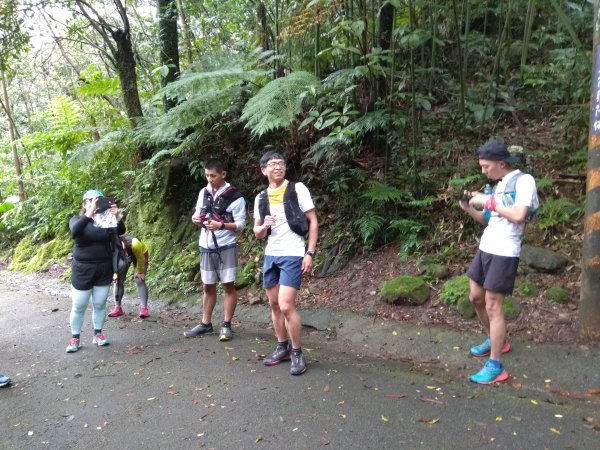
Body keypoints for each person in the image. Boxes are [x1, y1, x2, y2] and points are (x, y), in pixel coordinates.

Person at [459, 139, 538, 384]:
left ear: (501, 163)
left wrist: (488, 200)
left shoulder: (523, 181)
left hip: (505, 250)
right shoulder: (499, 184)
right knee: (475, 297)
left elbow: (518, 215)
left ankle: (496, 366)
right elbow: (488, 220)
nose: (483, 171)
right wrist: (469, 207)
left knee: (493, 306)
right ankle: (497, 341)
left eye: (485, 166)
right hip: (487, 247)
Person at [253, 149, 318, 376]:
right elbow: (257, 232)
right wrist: (263, 227)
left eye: (280, 163)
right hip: (271, 254)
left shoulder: (297, 189)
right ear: (264, 170)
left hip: (293, 253)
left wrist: (309, 253)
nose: (277, 167)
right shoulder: (261, 198)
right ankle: (282, 347)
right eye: (272, 164)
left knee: (287, 304)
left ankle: (297, 352)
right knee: (273, 304)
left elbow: (313, 221)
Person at [184, 159, 246, 341]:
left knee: (228, 285)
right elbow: (198, 214)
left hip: (225, 245)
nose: (209, 179)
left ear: (223, 174)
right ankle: (205, 323)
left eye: (213, 175)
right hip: (206, 245)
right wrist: (195, 219)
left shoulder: (235, 196)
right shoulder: (203, 192)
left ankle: (226, 324)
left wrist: (222, 225)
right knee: (207, 286)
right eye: (207, 175)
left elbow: (241, 225)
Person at [66, 190, 125, 353]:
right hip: (83, 270)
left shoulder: (106, 220)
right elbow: (75, 232)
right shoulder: (77, 220)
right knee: (79, 306)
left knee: (99, 304)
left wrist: (117, 216)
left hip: (103, 268)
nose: (95, 205)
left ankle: (98, 333)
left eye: (98, 202)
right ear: (84, 204)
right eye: (91, 202)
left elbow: (120, 231)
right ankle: (75, 338)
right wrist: (90, 212)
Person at [108, 235, 150, 318]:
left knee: (139, 279)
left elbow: (141, 259)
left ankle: (144, 308)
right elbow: (113, 261)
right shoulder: (113, 247)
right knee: (118, 280)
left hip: (140, 255)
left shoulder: (135, 244)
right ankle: (118, 308)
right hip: (123, 258)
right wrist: (115, 273)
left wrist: (140, 272)